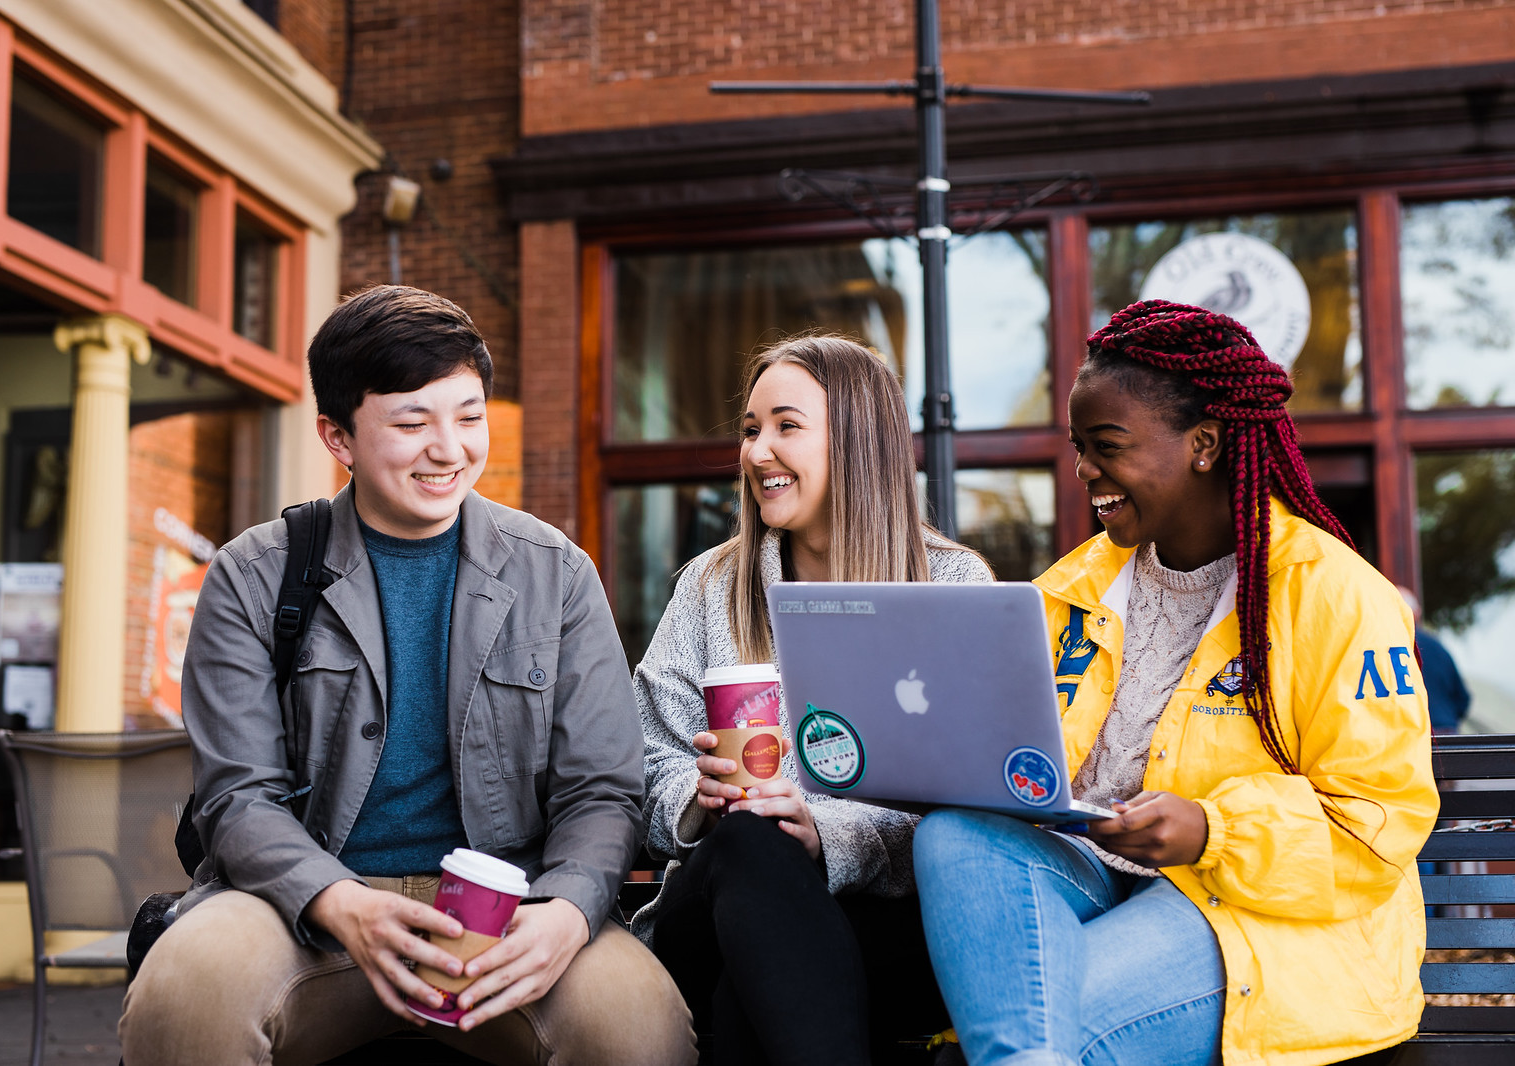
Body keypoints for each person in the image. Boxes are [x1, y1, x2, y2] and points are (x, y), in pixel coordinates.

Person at [120, 285, 695, 1066]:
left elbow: (602, 790)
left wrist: (567, 908)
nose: (450, 448)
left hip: (511, 910)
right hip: (303, 913)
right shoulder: (251, 575)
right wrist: (339, 901)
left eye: (468, 416)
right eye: (412, 421)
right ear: (339, 436)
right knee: (183, 998)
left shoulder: (556, 572)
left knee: (634, 1025)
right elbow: (237, 797)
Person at [912, 300, 1439, 1066]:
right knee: (956, 834)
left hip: (1247, 915)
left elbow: (1378, 823)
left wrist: (1210, 830)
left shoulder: (1333, 593)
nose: (1085, 469)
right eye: (1079, 447)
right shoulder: (1071, 587)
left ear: (1203, 444)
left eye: (1108, 446)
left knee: (1043, 1035)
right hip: (1091, 876)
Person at [632, 334, 993, 1066]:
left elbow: (969, 805)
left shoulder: (954, 589)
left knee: (752, 992)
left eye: (786, 426)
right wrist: (701, 799)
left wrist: (824, 834)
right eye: (750, 429)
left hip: (883, 920)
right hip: (712, 898)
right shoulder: (711, 585)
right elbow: (644, 761)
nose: (757, 450)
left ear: (858, 442)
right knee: (752, 841)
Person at [1397, 585, 1472, 733]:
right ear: (1417, 613)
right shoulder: (1438, 647)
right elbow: (1463, 699)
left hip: (1414, 735)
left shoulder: (1388, 647)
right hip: (1448, 733)